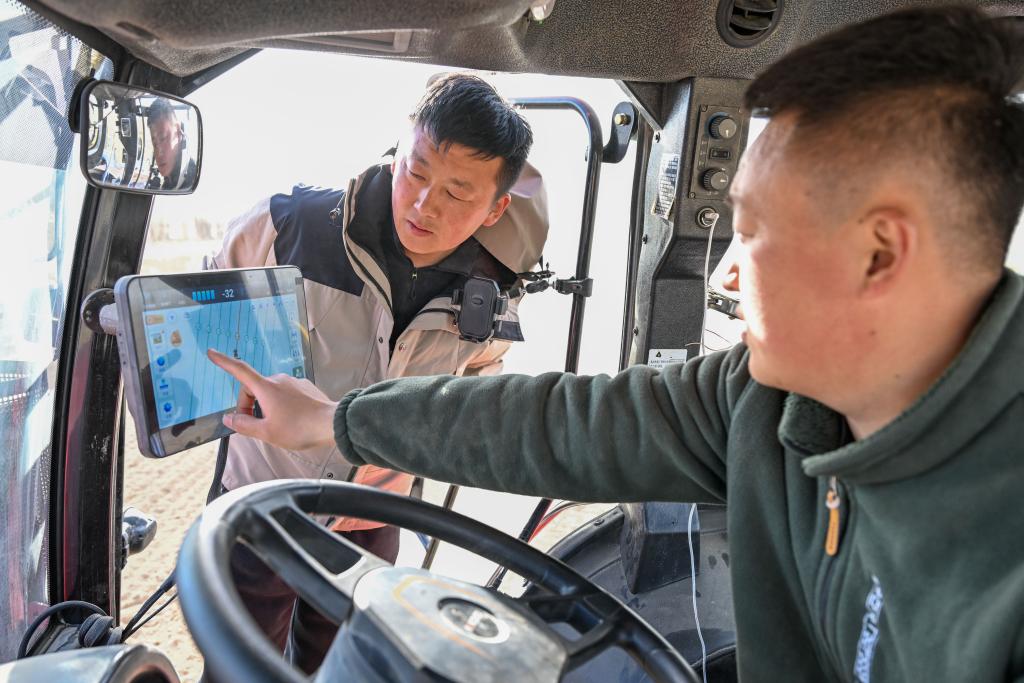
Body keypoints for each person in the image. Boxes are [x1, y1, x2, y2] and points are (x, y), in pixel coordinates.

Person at [210, 7, 1024, 682]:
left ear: (879, 254)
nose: (726, 272)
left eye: (751, 231)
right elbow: (554, 422)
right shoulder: (758, 403)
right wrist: (335, 421)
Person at [202, 73, 547, 676]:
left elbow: (476, 383)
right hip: (262, 497)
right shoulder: (290, 225)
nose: (424, 204)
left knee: (343, 668)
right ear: (398, 152)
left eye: (457, 193)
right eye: (416, 172)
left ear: (496, 208)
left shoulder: (493, 293)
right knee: (237, 668)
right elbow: (202, 304)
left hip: (374, 515)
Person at [146, 97, 197, 191]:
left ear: (178, 132)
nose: (158, 152)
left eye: (163, 138)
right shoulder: (170, 184)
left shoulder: (193, 181)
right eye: (155, 144)